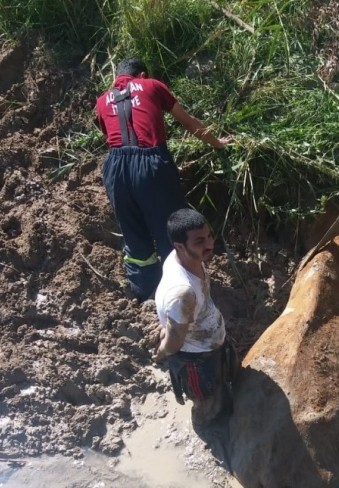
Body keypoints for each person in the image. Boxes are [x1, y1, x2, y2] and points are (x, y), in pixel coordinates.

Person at [96, 56, 232, 301]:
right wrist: (218, 143)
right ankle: (183, 294)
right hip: (151, 165)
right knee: (170, 229)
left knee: (133, 231)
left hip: (115, 168)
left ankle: (145, 292)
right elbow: (189, 122)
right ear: (142, 75)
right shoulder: (151, 85)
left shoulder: (102, 101)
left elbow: (111, 133)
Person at [153, 208, 237, 428]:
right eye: (200, 241)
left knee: (225, 386)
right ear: (180, 246)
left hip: (210, 345)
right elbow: (174, 341)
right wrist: (161, 353)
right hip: (197, 361)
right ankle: (209, 432)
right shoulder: (183, 293)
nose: (210, 244)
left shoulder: (185, 259)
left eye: (209, 236)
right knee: (207, 404)